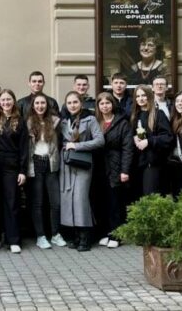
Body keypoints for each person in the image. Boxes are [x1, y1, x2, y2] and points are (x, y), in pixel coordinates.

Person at [59, 91, 104, 252]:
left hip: (83, 163)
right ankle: (74, 235)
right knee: (68, 199)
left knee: (80, 199)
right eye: (69, 103)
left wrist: (77, 146)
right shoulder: (63, 121)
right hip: (66, 163)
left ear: (81, 103)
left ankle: (86, 237)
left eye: (75, 102)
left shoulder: (90, 119)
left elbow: (100, 141)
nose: (72, 105)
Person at [0, 89, 28, 253]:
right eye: (2, 100)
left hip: (12, 166)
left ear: (13, 101)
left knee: (12, 202)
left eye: (8, 99)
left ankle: (13, 240)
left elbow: (24, 148)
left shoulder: (20, 121)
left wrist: (22, 171)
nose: (5, 102)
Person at [25, 93, 66, 250]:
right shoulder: (28, 122)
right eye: (37, 103)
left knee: (55, 202)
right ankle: (40, 236)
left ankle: (55, 234)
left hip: (51, 163)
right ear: (33, 106)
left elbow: (62, 141)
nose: (40, 106)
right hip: (35, 163)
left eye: (43, 103)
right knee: (37, 203)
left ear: (47, 105)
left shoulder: (55, 121)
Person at [95, 92, 133, 249]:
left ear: (113, 104)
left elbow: (128, 148)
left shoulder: (122, 123)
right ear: (98, 106)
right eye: (102, 104)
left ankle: (116, 235)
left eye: (107, 103)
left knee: (115, 202)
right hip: (99, 167)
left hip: (116, 166)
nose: (105, 106)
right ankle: (105, 233)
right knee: (102, 201)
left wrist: (125, 170)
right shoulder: (95, 122)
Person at [130, 85, 174, 198]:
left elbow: (168, 138)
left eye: (143, 95)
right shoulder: (134, 116)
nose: (140, 99)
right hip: (136, 163)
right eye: (138, 96)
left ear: (149, 96)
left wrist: (149, 141)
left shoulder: (158, 114)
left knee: (150, 197)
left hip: (152, 163)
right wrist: (133, 138)